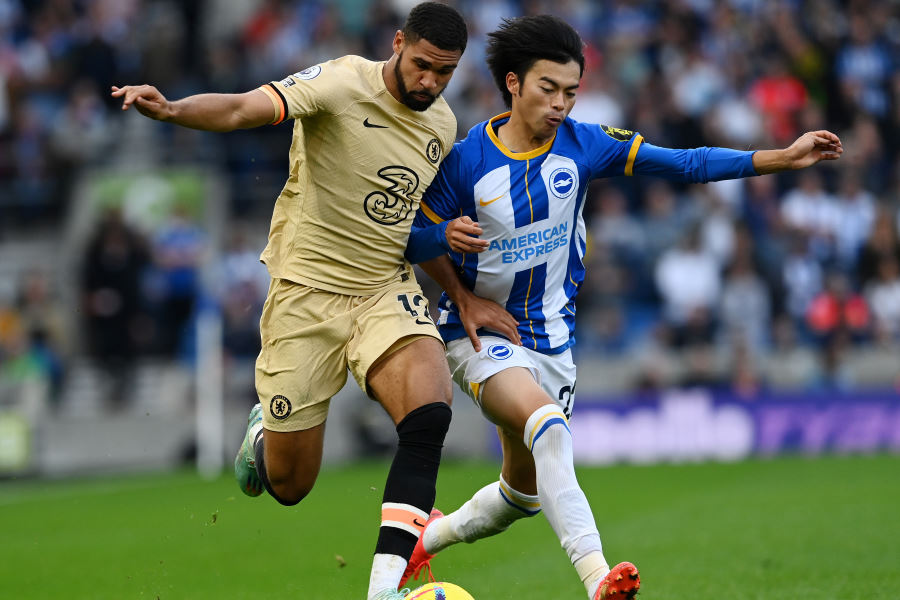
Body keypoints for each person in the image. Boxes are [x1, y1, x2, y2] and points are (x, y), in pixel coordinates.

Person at [401, 15, 843, 600]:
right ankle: (597, 580)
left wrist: (778, 158)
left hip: (552, 339)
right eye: (548, 89)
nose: (560, 104)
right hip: (479, 335)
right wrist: (452, 269)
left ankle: (426, 540)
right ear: (513, 82)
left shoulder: (584, 144)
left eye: (571, 92)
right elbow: (410, 239)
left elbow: (685, 163)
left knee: (522, 495)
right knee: (548, 427)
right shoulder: (466, 160)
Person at [110, 5, 514, 600]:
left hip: (383, 287)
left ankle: (383, 589)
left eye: (445, 72)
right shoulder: (340, 83)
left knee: (430, 410)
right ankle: (263, 438)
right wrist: (173, 110)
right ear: (397, 43)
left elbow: (409, 229)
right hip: (306, 293)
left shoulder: (441, 126)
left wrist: (460, 293)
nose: (430, 82)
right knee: (290, 484)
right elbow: (244, 108)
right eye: (422, 65)